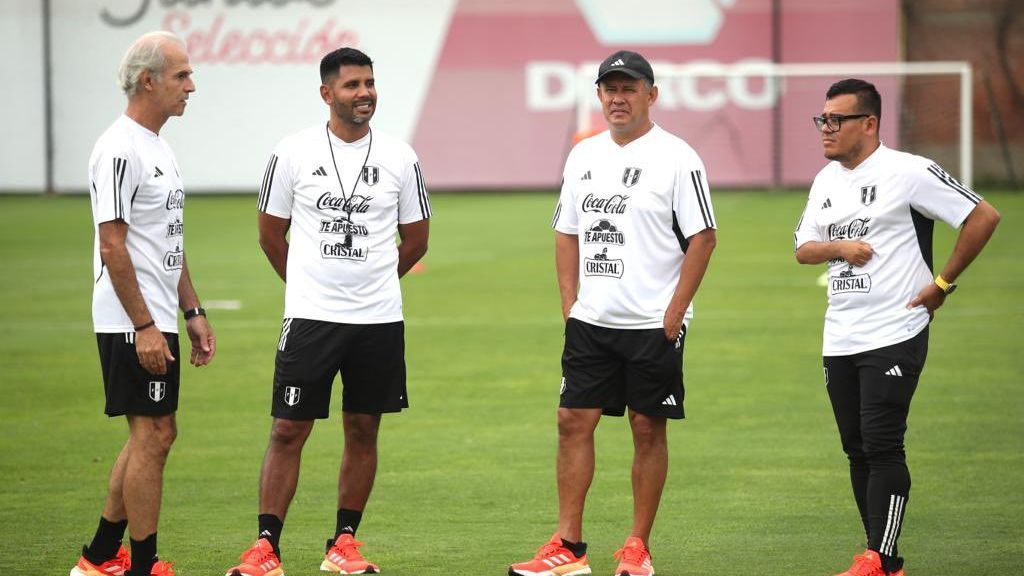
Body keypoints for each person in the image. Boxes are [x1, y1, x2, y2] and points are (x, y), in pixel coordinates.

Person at [509, 50, 717, 576]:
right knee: (570, 422)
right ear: (599, 95)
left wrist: (675, 311)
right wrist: (569, 301)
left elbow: (703, 238)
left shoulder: (678, 157)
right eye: (610, 89)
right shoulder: (584, 155)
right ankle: (569, 547)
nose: (618, 98)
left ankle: (636, 546)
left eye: (629, 88)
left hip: (653, 323)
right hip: (592, 321)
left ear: (653, 93)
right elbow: (566, 228)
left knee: (648, 429)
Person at [224, 47, 431, 576]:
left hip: (379, 319)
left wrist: (374, 282)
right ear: (326, 93)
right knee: (287, 430)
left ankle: (344, 542)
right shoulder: (292, 153)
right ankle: (266, 547)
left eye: (369, 83)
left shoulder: (400, 157)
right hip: (312, 318)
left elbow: (417, 240)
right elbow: (271, 236)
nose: (364, 93)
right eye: (352, 85)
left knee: (363, 428)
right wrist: (310, 289)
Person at [794, 78, 1000, 576]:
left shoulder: (909, 172)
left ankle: (884, 560)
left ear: (869, 123)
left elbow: (983, 216)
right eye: (822, 119)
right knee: (856, 445)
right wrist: (839, 248)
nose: (826, 129)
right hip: (840, 333)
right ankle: (874, 555)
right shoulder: (826, 181)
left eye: (836, 120)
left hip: (895, 330)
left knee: (883, 441)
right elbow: (803, 249)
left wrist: (943, 283)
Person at [71, 31, 215, 576]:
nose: (191, 86)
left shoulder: (158, 145)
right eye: (182, 75)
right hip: (129, 318)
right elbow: (113, 244)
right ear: (148, 80)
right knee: (153, 433)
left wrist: (193, 311)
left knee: (153, 432)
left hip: (154, 313)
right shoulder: (118, 147)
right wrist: (145, 326)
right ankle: (143, 565)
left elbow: (166, 242)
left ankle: (101, 556)